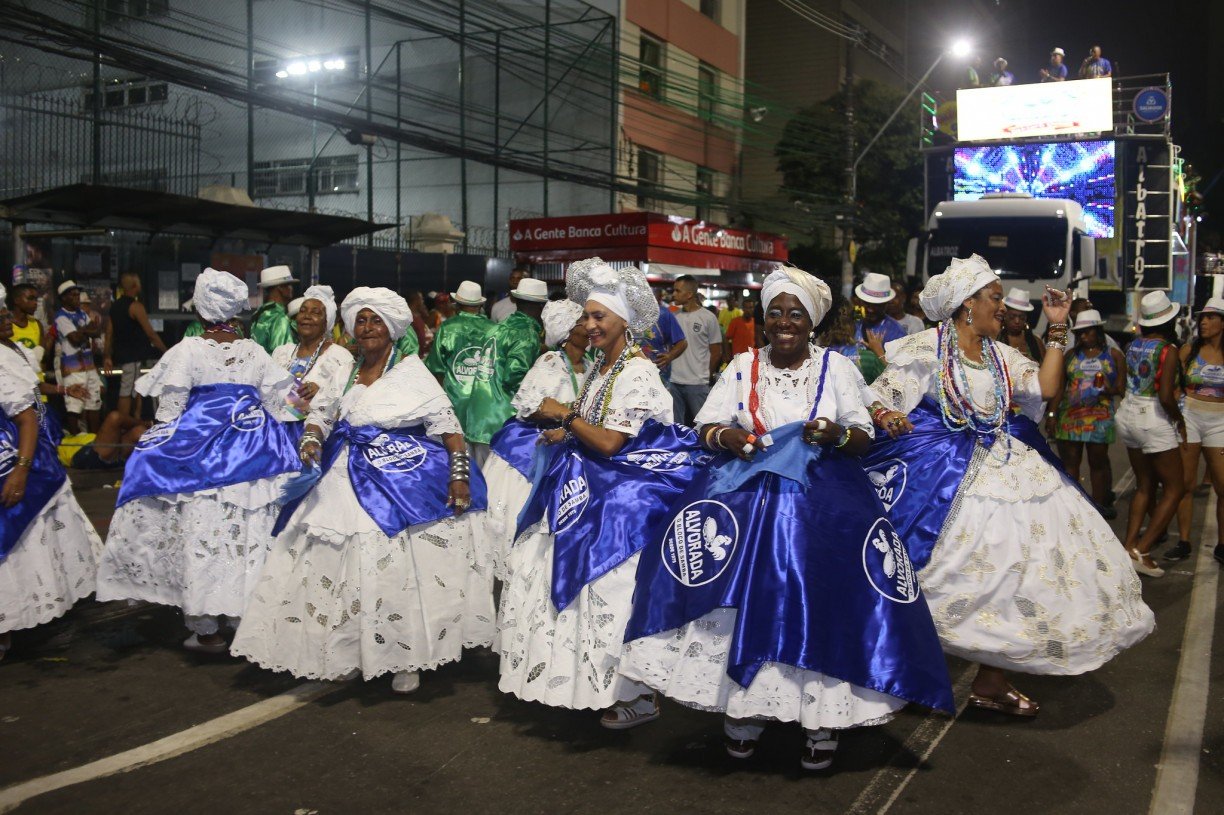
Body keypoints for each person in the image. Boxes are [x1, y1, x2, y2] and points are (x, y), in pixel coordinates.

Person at [621, 266, 953, 771]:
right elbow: (706, 424)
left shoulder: (837, 370)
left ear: (812, 322)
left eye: (795, 313)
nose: (783, 321)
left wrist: (835, 435)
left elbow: (862, 434)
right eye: (775, 311)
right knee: (740, 602)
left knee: (820, 604)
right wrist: (726, 437)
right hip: (749, 503)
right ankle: (744, 715)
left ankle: (820, 722)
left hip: (823, 505)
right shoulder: (741, 365)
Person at [865, 254, 1153, 717]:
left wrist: (1058, 328)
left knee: (1019, 571)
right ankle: (895, 672)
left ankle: (991, 682)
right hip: (946, 475)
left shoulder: (1002, 355)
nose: (1003, 308)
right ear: (966, 305)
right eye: (995, 298)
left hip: (1009, 467)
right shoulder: (926, 349)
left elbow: (1044, 388)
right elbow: (882, 393)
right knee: (929, 572)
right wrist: (889, 415)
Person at [232, 288, 490, 693]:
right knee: (337, 566)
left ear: (391, 328)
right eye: (361, 321)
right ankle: (347, 650)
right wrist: (311, 439)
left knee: (391, 569)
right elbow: (318, 413)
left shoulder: (410, 371)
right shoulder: (345, 369)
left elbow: (452, 432)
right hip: (342, 475)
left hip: (395, 480)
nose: (367, 328)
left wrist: (459, 477)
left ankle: (404, 657)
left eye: (375, 321)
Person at [498, 258, 700, 729]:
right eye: (585, 317)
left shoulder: (636, 372)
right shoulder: (602, 368)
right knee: (572, 588)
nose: (587, 325)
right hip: (586, 490)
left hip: (619, 505)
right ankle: (589, 685)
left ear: (622, 324)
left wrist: (563, 416)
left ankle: (638, 695)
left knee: (609, 590)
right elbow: (597, 427)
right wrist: (566, 433)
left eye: (598, 317)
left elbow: (611, 442)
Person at [97, 268, 300, 653]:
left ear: (202, 313)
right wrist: (305, 402)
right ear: (235, 312)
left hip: (199, 459)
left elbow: (169, 412)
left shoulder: (187, 350)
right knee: (245, 536)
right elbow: (283, 405)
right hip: (251, 456)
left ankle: (207, 630)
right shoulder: (254, 351)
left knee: (202, 537)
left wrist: (153, 450)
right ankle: (244, 620)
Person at [0, 283, 103, 662]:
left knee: (32, 539)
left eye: (7, 314)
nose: (8, 320)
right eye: (2, 316)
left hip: (27, 457)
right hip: (18, 453)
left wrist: (22, 469)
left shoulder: (7, 353)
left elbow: (26, 412)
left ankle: (35, 617)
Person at [483, 299, 590, 580]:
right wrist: (560, 415)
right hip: (538, 445)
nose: (589, 327)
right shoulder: (551, 362)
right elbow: (528, 406)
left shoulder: (590, 364)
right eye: (582, 322)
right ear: (567, 331)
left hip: (572, 438)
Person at [1115, 291, 1185, 578]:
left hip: (1127, 413)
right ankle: (1143, 551)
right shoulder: (1167, 350)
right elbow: (1166, 396)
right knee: (1175, 488)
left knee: (1144, 485)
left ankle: (1129, 546)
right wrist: (1179, 420)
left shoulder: (1133, 346)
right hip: (1153, 416)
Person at [1046, 309, 1125, 518]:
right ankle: (1074, 508)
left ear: (1098, 331)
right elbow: (1060, 386)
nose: (1082, 336)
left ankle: (1096, 508)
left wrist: (1110, 389)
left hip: (1099, 417)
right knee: (1071, 463)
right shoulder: (1071, 355)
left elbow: (1122, 387)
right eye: (1080, 333)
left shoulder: (1114, 355)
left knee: (1097, 462)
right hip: (1070, 416)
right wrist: (1052, 414)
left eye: (1087, 332)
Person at [1171, 298, 1224, 565]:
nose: (1203, 322)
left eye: (1210, 317)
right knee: (1186, 484)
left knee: (1223, 486)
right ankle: (1184, 541)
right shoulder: (1189, 351)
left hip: (1220, 422)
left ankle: (1223, 545)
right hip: (1190, 417)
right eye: (1202, 317)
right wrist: (1179, 406)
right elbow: (1174, 384)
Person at [270, 285, 354, 436]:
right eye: (303, 311)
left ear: (327, 322)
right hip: (275, 434)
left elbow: (348, 402)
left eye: (316, 313)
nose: (307, 316)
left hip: (312, 436)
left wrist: (321, 392)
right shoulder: (282, 353)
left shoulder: (339, 356)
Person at [105, 271, 169, 419]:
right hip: (132, 356)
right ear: (135, 286)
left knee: (136, 388)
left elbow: (109, 333)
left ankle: (135, 418)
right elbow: (151, 334)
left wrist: (107, 356)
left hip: (122, 355)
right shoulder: (135, 306)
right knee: (127, 390)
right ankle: (123, 420)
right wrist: (167, 351)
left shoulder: (115, 307)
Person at [669, 275, 723, 425]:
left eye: (677, 291)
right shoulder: (673, 317)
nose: (673, 294)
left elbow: (717, 351)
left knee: (704, 426)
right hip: (674, 382)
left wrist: (706, 375)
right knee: (675, 427)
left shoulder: (708, 318)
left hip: (698, 383)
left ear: (689, 294)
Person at [53, 280, 104, 434]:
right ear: (63, 298)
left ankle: (94, 438)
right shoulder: (61, 317)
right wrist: (87, 330)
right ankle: (75, 439)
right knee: (75, 405)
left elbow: (96, 331)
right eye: (73, 295)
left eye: (77, 294)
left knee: (94, 401)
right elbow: (74, 340)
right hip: (73, 367)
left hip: (89, 365)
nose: (77, 297)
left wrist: (83, 331)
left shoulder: (81, 313)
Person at [59, 409, 152, 471]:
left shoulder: (71, 434)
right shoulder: (54, 442)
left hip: (110, 451)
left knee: (139, 432)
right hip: (85, 455)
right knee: (115, 417)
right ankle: (149, 424)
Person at [823, 300, 885, 384]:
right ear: (854, 323)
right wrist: (880, 353)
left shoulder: (814, 358)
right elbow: (891, 385)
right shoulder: (869, 359)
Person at [250, 265, 296, 354]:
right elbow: (284, 355)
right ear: (280, 288)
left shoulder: (259, 314)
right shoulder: (279, 317)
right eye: (289, 285)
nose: (291, 289)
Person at [854, 272, 908, 348]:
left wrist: (879, 352)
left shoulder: (897, 333)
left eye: (876, 305)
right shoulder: (853, 326)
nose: (870, 310)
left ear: (886, 304)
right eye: (867, 304)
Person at [639, 302, 688, 383]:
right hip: (632, 371)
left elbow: (682, 343)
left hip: (659, 374)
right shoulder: (624, 313)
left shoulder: (662, 313)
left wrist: (669, 356)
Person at [8, 284, 51, 369]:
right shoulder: (5, 326)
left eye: (36, 299)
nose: (35, 303)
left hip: (36, 379)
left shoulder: (37, 324)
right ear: (16, 300)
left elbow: (42, 357)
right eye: (30, 299)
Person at [998, 287, 1045, 362]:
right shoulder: (996, 339)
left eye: (1021, 317)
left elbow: (1045, 367)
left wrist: (1033, 363)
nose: (1017, 321)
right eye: (1012, 317)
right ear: (1005, 315)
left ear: (1026, 318)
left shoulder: (1036, 342)